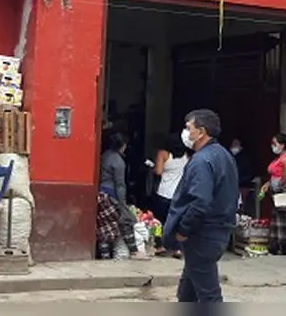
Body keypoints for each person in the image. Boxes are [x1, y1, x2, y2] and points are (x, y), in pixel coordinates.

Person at [165, 109, 239, 303]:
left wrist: (183, 229)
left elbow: (200, 202)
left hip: (203, 235)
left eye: (189, 128)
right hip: (217, 231)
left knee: (209, 295)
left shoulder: (201, 161)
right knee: (187, 292)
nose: (186, 133)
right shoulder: (223, 155)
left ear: (201, 132)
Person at [98, 132, 149, 260]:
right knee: (126, 221)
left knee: (104, 226)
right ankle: (134, 251)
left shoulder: (105, 155)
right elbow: (120, 184)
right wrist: (122, 204)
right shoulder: (118, 161)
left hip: (101, 194)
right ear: (123, 146)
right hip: (111, 195)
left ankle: (104, 255)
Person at [151, 132, 190, 258]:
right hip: (179, 194)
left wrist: (151, 167)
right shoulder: (186, 156)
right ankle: (177, 249)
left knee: (159, 220)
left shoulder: (163, 154)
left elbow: (158, 171)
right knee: (177, 221)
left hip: (163, 193)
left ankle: (159, 246)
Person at [260, 133, 286, 255]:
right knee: (276, 217)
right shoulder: (279, 157)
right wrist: (268, 184)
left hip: (284, 191)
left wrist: (281, 183)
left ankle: (285, 246)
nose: (273, 146)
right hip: (277, 191)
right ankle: (275, 245)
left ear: (282, 145)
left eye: (275, 144)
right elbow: (275, 174)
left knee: (283, 218)